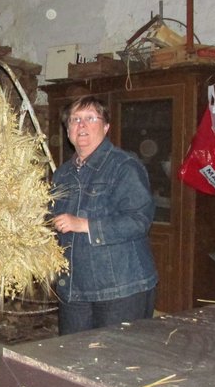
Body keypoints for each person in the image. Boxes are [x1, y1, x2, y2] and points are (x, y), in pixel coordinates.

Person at [50, 95, 158, 335]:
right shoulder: (62, 175)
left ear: (106, 127)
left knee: (114, 356)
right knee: (74, 355)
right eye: (75, 119)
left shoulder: (124, 166)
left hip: (120, 289)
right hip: (74, 289)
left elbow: (139, 220)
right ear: (67, 130)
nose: (81, 125)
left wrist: (85, 225)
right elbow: (52, 221)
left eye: (90, 118)